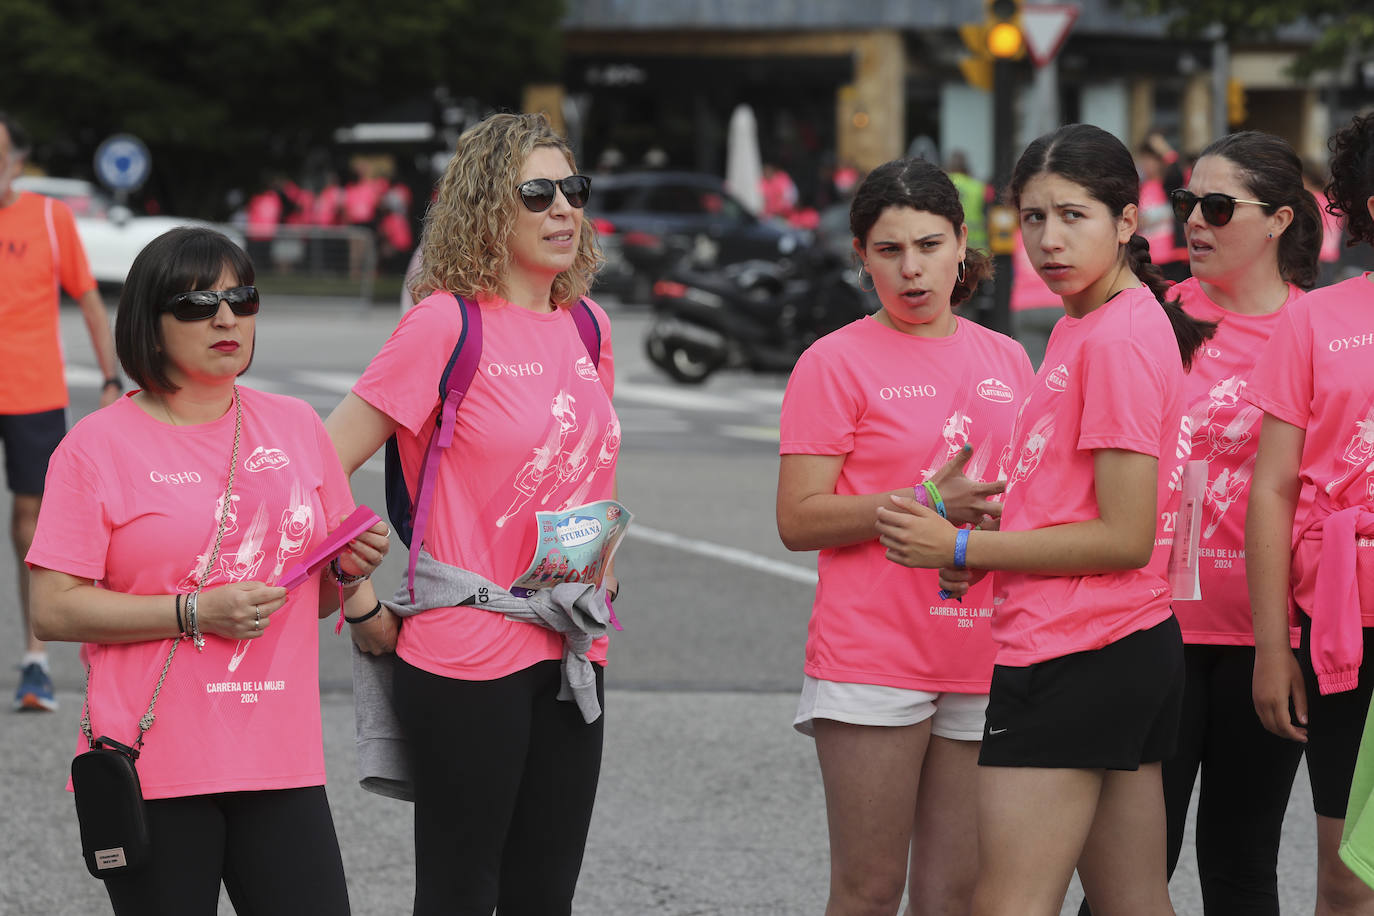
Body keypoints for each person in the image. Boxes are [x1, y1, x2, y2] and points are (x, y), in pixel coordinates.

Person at [875, 123, 1215, 915]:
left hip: (1080, 649)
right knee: (1133, 899)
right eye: (1033, 218)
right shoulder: (1083, 323)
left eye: (1074, 216)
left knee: (1008, 902)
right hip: (1114, 640)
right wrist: (986, 551)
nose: (1050, 240)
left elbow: (1127, 538)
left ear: (1128, 222)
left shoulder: (1120, 338)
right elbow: (1072, 503)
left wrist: (961, 541)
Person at [25, 226, 390, 914]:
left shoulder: (296, 426)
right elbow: (52, 608)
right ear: (151, 327)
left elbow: (306, 598)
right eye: (196, 303)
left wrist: (346, 570)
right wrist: (195, 611)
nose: (226, 317)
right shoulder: (94, 448)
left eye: (241, 297)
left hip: (278, 758)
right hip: (152, 763)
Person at [325, 111, 618, 916]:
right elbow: (318, 463)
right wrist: (358, 597)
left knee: (544, 898)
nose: (563, 208)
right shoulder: (444, 324)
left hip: (571, 645)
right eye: (537, 191)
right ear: (489, 204)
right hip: (465, 650)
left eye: (573, 189)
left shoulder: (589, 328)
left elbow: (589, 474)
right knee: (458, 894)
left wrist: (604, 570)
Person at [776, 157, 1033, 915]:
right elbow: (798, 519)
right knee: (869, 889)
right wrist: (925, 500)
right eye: (889, 250)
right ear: (862, 254)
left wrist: (986, 534)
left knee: (955, 894)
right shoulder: (833, 361)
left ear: (962, 243)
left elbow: (1020, 496)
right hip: (872, 659)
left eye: (928, 245)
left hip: (983, 651)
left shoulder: (1009, 358)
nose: (912, 269)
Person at [1081, 130, 1323, 916]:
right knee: (1130, 874)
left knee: (1243, 867)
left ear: (1281, 220)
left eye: (1218, 207)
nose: (1195, 222)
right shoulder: (1145, 315)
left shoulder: (1319, 332)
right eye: (1188, 203)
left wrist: (1285, 640)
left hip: (1269, 638)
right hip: (1149, 629)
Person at [1247, 110, 1374, 915]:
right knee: (1347, 878)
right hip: (1344, 621)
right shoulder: (1314, 320)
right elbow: (1272, 489)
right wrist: (1270, 648)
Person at [0, 111, 122, 712]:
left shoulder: (50, 219)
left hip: (31, 391)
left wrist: (108, 377)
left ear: (18, 160)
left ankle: (34, 661)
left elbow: (91, 303)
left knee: (31, 521)